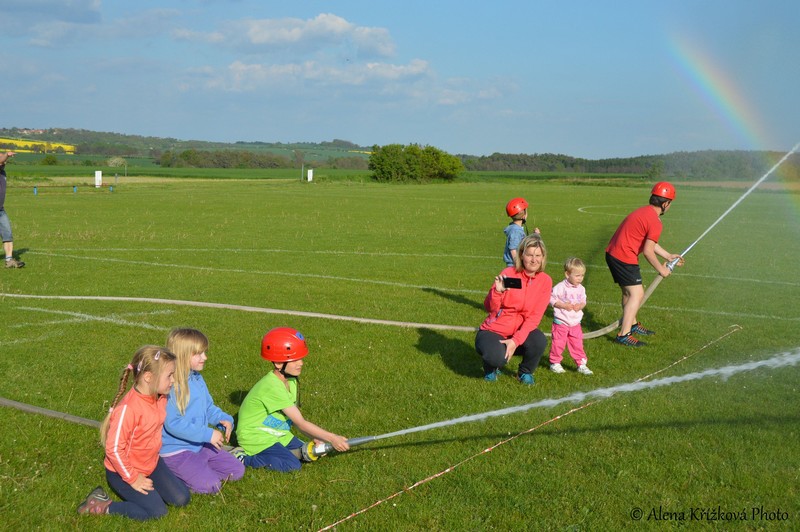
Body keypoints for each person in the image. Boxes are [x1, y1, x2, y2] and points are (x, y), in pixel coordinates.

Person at [77, 346, 191, 520]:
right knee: (157, 513)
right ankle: (102, 504)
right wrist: (133, 478)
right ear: (148, 377)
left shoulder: (160, 396)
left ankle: (153, 492)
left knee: (182, 499)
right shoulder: (128, 409)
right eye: (169, 375)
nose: (173, 380)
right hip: (123, 472)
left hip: (151, 464)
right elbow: (114, 449)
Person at [233, 327, 349, 472]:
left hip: (278, 433)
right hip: (256, 436)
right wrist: (332, 438)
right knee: (292, 465)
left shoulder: (291, 381)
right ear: (278, 364)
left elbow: (295, 419)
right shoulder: (272, 387)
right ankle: (242, 458)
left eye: (300, 358)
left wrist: (319, 438)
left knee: (309, 453)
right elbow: (300, 423)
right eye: (294, 360)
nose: (301, 363)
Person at [160, 328, 244, 494]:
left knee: (236, 470)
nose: (204, 357)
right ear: (183, 355)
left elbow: (208, 407)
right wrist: (207, 434)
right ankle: (168, 474)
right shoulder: (172, 385)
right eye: (198, 353)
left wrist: (223, 419)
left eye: (204, 352)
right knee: (210, 485)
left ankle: (197, 468)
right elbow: (172, 423)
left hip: (199, 445)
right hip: (177, 451)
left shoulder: (197, 378)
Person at [605, 182, 684, 347]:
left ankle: (631, 324)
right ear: (665, 203)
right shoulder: (655, 221)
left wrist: (668, 255)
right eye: (670, 203)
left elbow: (649, 242)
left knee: (628, 293)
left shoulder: (644, 212)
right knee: (637, 294)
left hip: (613, 253)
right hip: (624, 256)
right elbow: (648, 251)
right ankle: (624, 334)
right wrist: (662, 269)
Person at [476, 234, 553, 385]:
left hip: (519, 331)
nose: (533, 260)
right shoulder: (508, 274)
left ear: (543, 258)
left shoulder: (545, 281)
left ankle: (524, 372)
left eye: (538, 255)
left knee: (539, 341)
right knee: (496, 357)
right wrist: (497, 292)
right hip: (494, 330)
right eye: (529, 254)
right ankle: (491, 367)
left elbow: (535, 317)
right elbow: (489, 308)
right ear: (521, 255)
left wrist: (515, 340)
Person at [548, 257, 592, 375]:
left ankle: (581, 364)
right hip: (561, 321)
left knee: (577, 343)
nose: (580, 278)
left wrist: (580, 306)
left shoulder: (581, 289)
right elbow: (551, 298)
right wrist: (562, 305)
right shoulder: (560, 287)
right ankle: (555, 362)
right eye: (577, 275)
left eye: (582, 275)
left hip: (575, 323)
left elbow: (583, 300)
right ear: (567, 274)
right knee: (558, 343)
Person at [0, 151, 24, 268]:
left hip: (0, 210)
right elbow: (1, 160)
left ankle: (9, 260)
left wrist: (5, 159)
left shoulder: (3, 172)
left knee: (7, 234)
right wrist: (7, 155)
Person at [503, 197, 541, 267]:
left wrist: (535, 236)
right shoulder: (516, 231)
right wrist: (517, 263)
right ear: (524, 216)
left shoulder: (515, 229)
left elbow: (524, 242)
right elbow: (513, 248)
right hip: (514, 266)